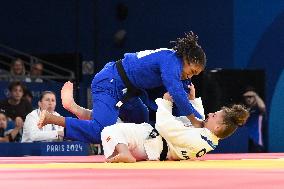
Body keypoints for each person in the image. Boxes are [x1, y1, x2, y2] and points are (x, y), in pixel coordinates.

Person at [38, 31, 207, 144]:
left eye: (194, 75)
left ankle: (80, 111)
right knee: (102, 131)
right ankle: (53, 119)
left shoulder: (176, 67)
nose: (189, 76)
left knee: (143, 126)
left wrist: (203, 120)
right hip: (110, 82)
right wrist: (196, 120)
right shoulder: (171, 61)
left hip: (129, 92)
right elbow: (177, 93)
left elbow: (183, 96)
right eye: (191, 71)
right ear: (185, 59)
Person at [101, 91, 249, 163]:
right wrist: (193, 100)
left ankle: (124, 152)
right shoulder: (207, 140)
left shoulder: (199, 138)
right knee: (116, 129)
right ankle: (122, 153)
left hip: (151, 143)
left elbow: (166, 126)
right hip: (151, 147)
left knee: (110, 130)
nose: (210, 114)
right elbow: (195, 123)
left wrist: (166, 102)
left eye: (214, 115)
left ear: (217, 127)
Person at [242, 87, 266, 152]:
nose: (248, 99)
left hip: (257, 142)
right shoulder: (246, 110)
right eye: (246, 97)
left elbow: (263, 107)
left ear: (255, 98)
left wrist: (255, 95)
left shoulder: (258, 108)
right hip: (247, 141)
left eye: (250, 97)